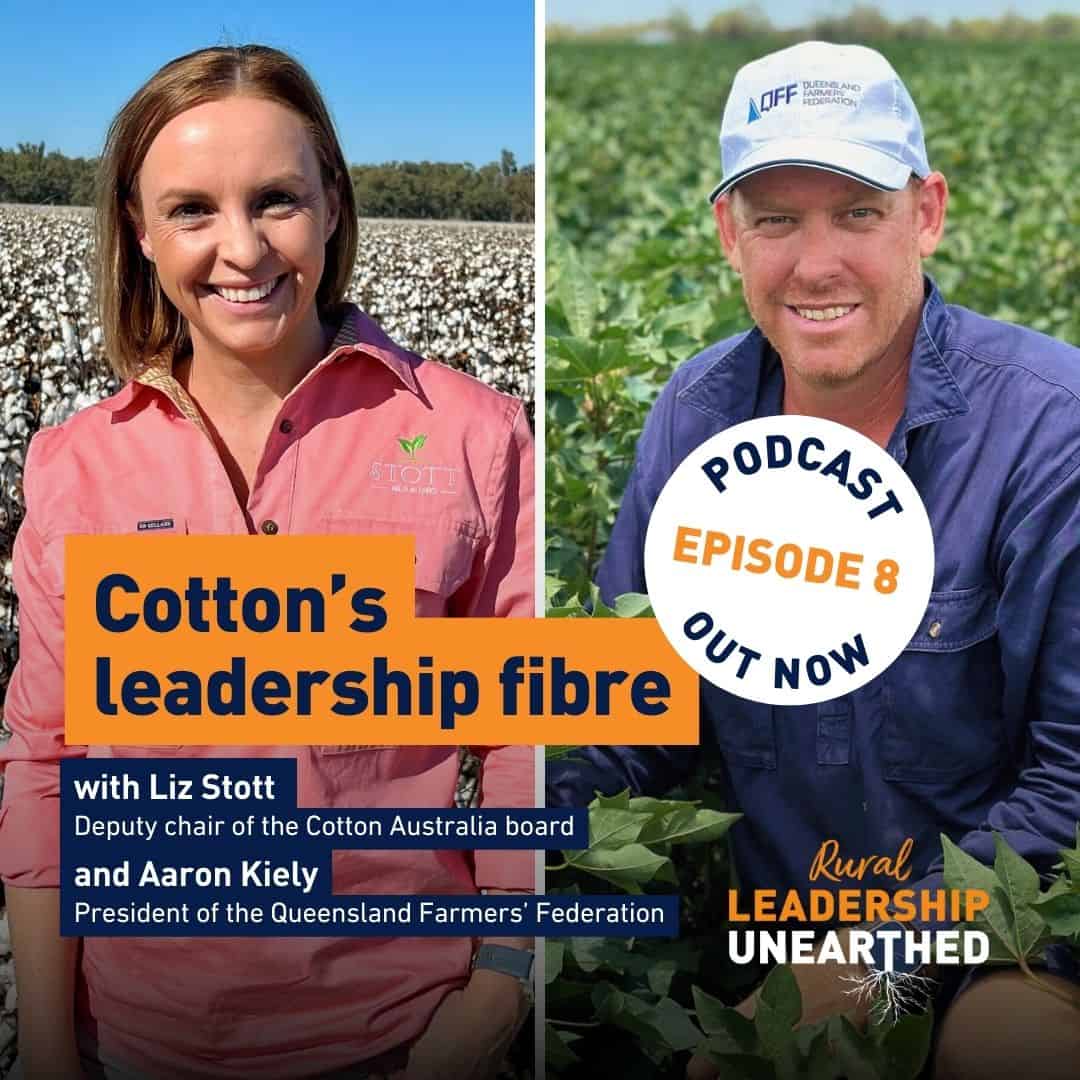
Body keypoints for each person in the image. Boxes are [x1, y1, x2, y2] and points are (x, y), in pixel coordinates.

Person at [547, 41, 1080, 1079]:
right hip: (782, 942)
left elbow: (1074, 783)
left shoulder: (1049, 425)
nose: (815, 262)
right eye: (776, 220)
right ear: (727, 235)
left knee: (998, 1048)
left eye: (858, 213)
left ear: (926, 213)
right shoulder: (698, 418)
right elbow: (625, 716)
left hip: (1015, 940)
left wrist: (864, 967)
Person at [0, 45, 535, 1080]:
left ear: (333, 205)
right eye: (193, 208)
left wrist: (499, 989)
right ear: (138, 231)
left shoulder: (475, 436)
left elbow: (526, 735)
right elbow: (46, 761)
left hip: (408, 1038)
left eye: (277, 200)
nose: (241, 249)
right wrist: (51, 1050)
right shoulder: (76, 466)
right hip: (132, 1040)